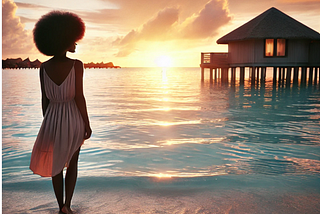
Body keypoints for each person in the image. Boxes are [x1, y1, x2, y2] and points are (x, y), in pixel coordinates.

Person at [29, 11, 92, 214]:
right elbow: (79, 97)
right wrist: (86, 123)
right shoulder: (77, 65)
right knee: (72, 164)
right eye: (74, 40)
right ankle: (68, 206)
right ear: (64, 40)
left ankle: (59, 206)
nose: (76, 44)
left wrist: (48, 123)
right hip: (73, 118)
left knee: (56, 165)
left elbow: (44, 100)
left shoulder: (43, 68)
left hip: (51, 120)